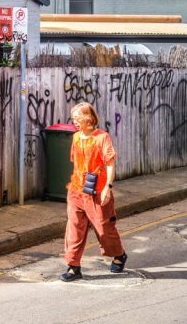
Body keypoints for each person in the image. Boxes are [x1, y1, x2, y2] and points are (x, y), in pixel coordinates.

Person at [61, 102, 127, 282]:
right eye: (73, 118)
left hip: (97, 192)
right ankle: (73, 266)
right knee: (74, 228)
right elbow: (76, 163)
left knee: (104, 228)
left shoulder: (102, 137)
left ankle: (119, 255)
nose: (74, 121)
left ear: (88, 119)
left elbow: (110, 163)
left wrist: (108, 187)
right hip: (76, 191)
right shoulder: (75, 137)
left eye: (78, 118)